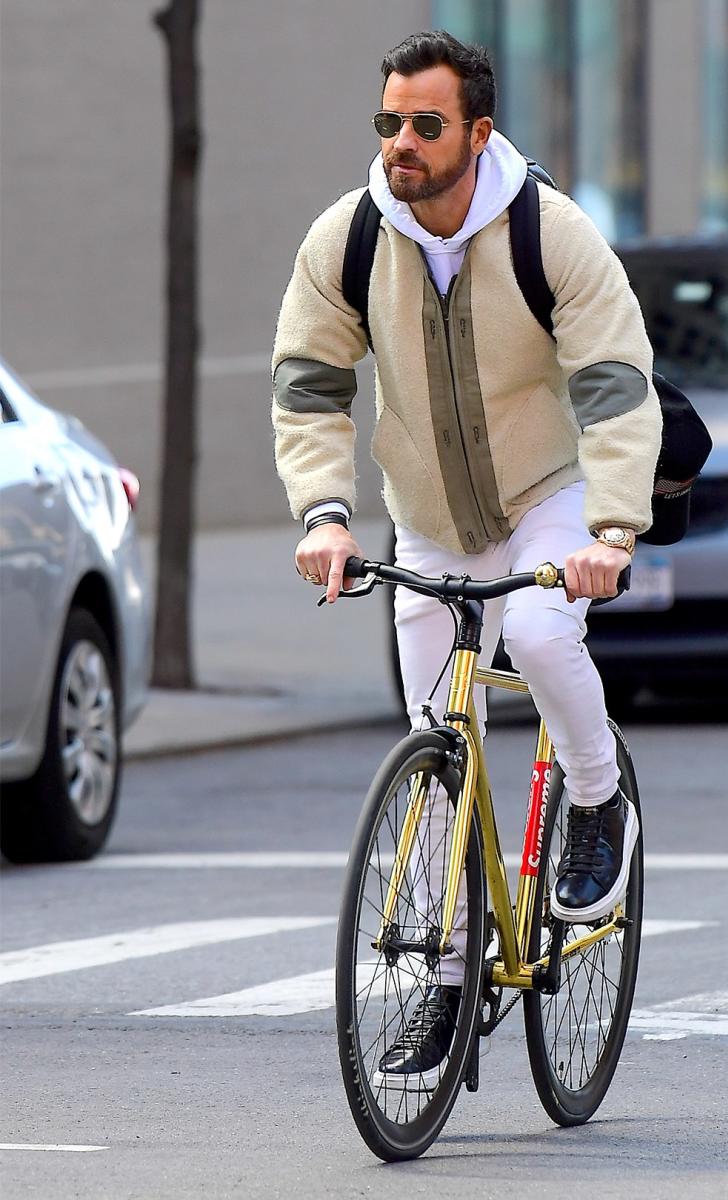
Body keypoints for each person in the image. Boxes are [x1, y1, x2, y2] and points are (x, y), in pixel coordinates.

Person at [271, 30, 661, 1085]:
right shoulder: (350, 237)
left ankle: (594, 799)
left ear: (477, 132)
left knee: (536, 630)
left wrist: (613, 531)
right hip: (431, 509)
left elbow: (617, 384)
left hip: (550, 494)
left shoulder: (550, 233)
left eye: (425, 124)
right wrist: (324, 515)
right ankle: (446, 985)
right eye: (388, 121)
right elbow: (310, 386)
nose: (401, 141)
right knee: (437, 739)